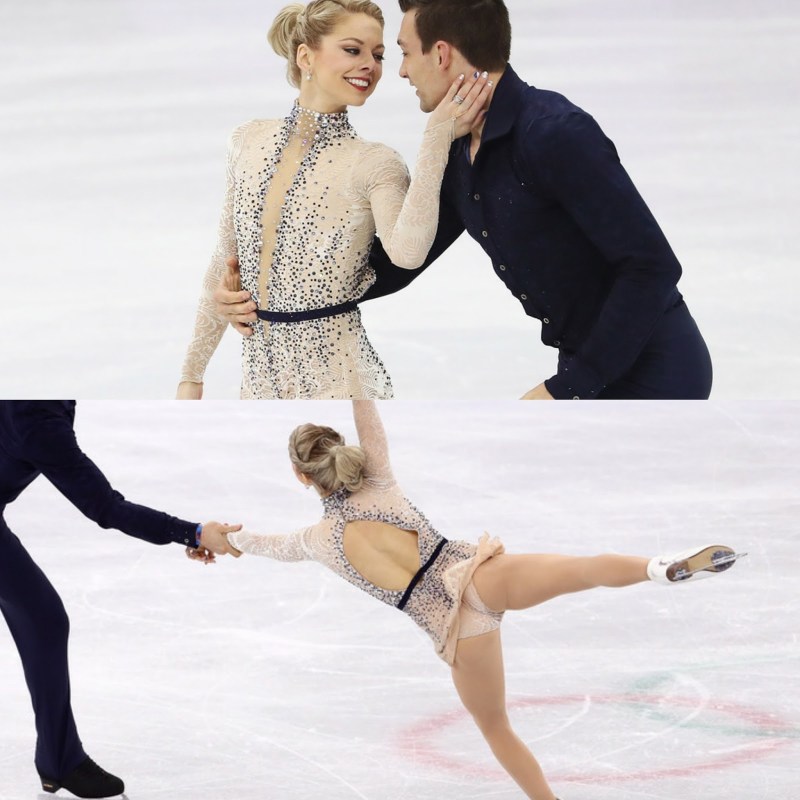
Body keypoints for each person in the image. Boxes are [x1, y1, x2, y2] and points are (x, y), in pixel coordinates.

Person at [220, 400, 743, 799]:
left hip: (456, 629)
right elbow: (367, 409)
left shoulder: (318, 541)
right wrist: (350, 373)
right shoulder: (378, 479)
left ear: (301, 477)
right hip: (477, 574)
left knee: (495, 726)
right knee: (584, 569)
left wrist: (217, 537)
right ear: (342, 453)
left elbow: (261, 544)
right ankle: (657, 568)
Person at [215, 0, 714, 400]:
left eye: (404, 53)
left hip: (655, 374)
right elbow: (401, 258)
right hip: (589, 367)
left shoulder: (554, 133)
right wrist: (275, 300)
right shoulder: (459, 151)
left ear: (443, 54)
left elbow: (651, 267)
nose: (401, 72)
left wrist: (569, 389)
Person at [177, 0, 491, 399]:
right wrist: (191, 376)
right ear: (305, 56)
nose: (370, 66)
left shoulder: (375, 163)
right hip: (258, 383)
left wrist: (435, 140)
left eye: (377, 55)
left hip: (340, 382)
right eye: (352, 49)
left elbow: (408, 252)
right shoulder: (247, 141)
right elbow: (224, 258)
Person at [0, 401, 240, 799]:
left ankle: (58, 759)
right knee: (43, 620)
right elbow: (106, 507)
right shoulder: (36, 419)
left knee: (43, 621)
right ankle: (60, 760)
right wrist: (194, 533)